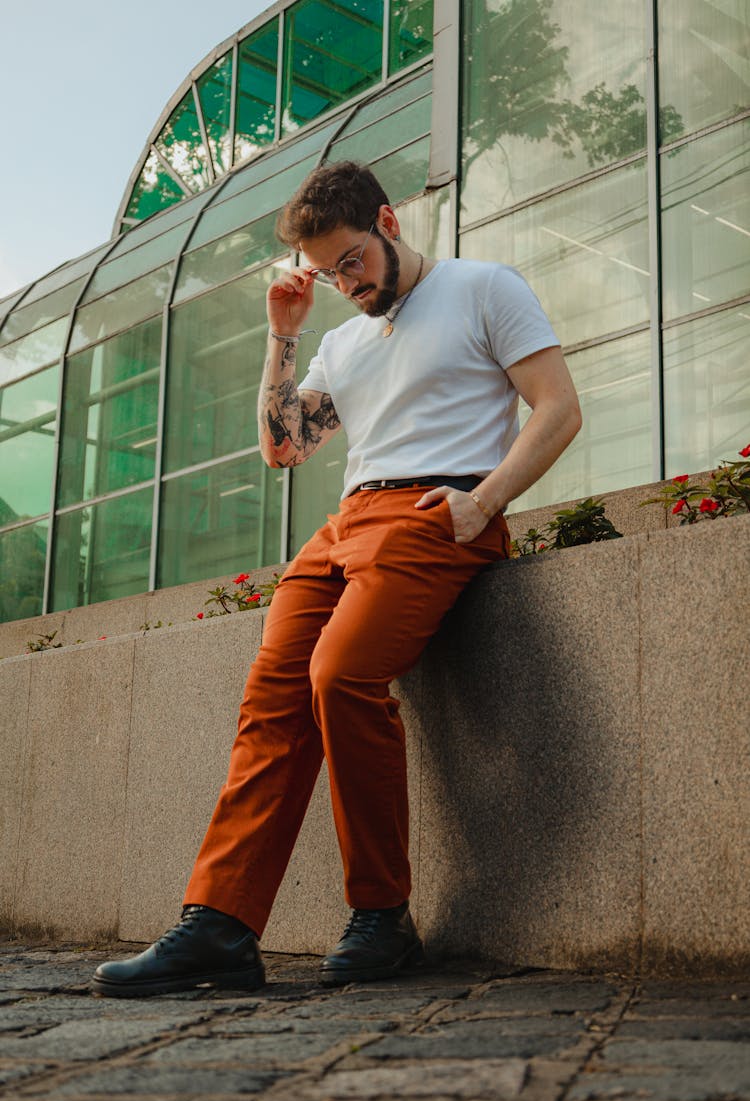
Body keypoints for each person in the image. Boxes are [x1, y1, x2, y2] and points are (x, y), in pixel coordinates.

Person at [92, 161, 581, 998]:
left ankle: (383, 916)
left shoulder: (483, 287)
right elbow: (284, 446)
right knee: (272, 695)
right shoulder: (338, 339)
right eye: (327, 272)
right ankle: (220, 924)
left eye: (352, 260)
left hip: (435, 510)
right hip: (345, 522)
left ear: (389, 223)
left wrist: (483, 501)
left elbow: (558, 407)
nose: (344, 283)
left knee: (341, 674)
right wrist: (283, 332)